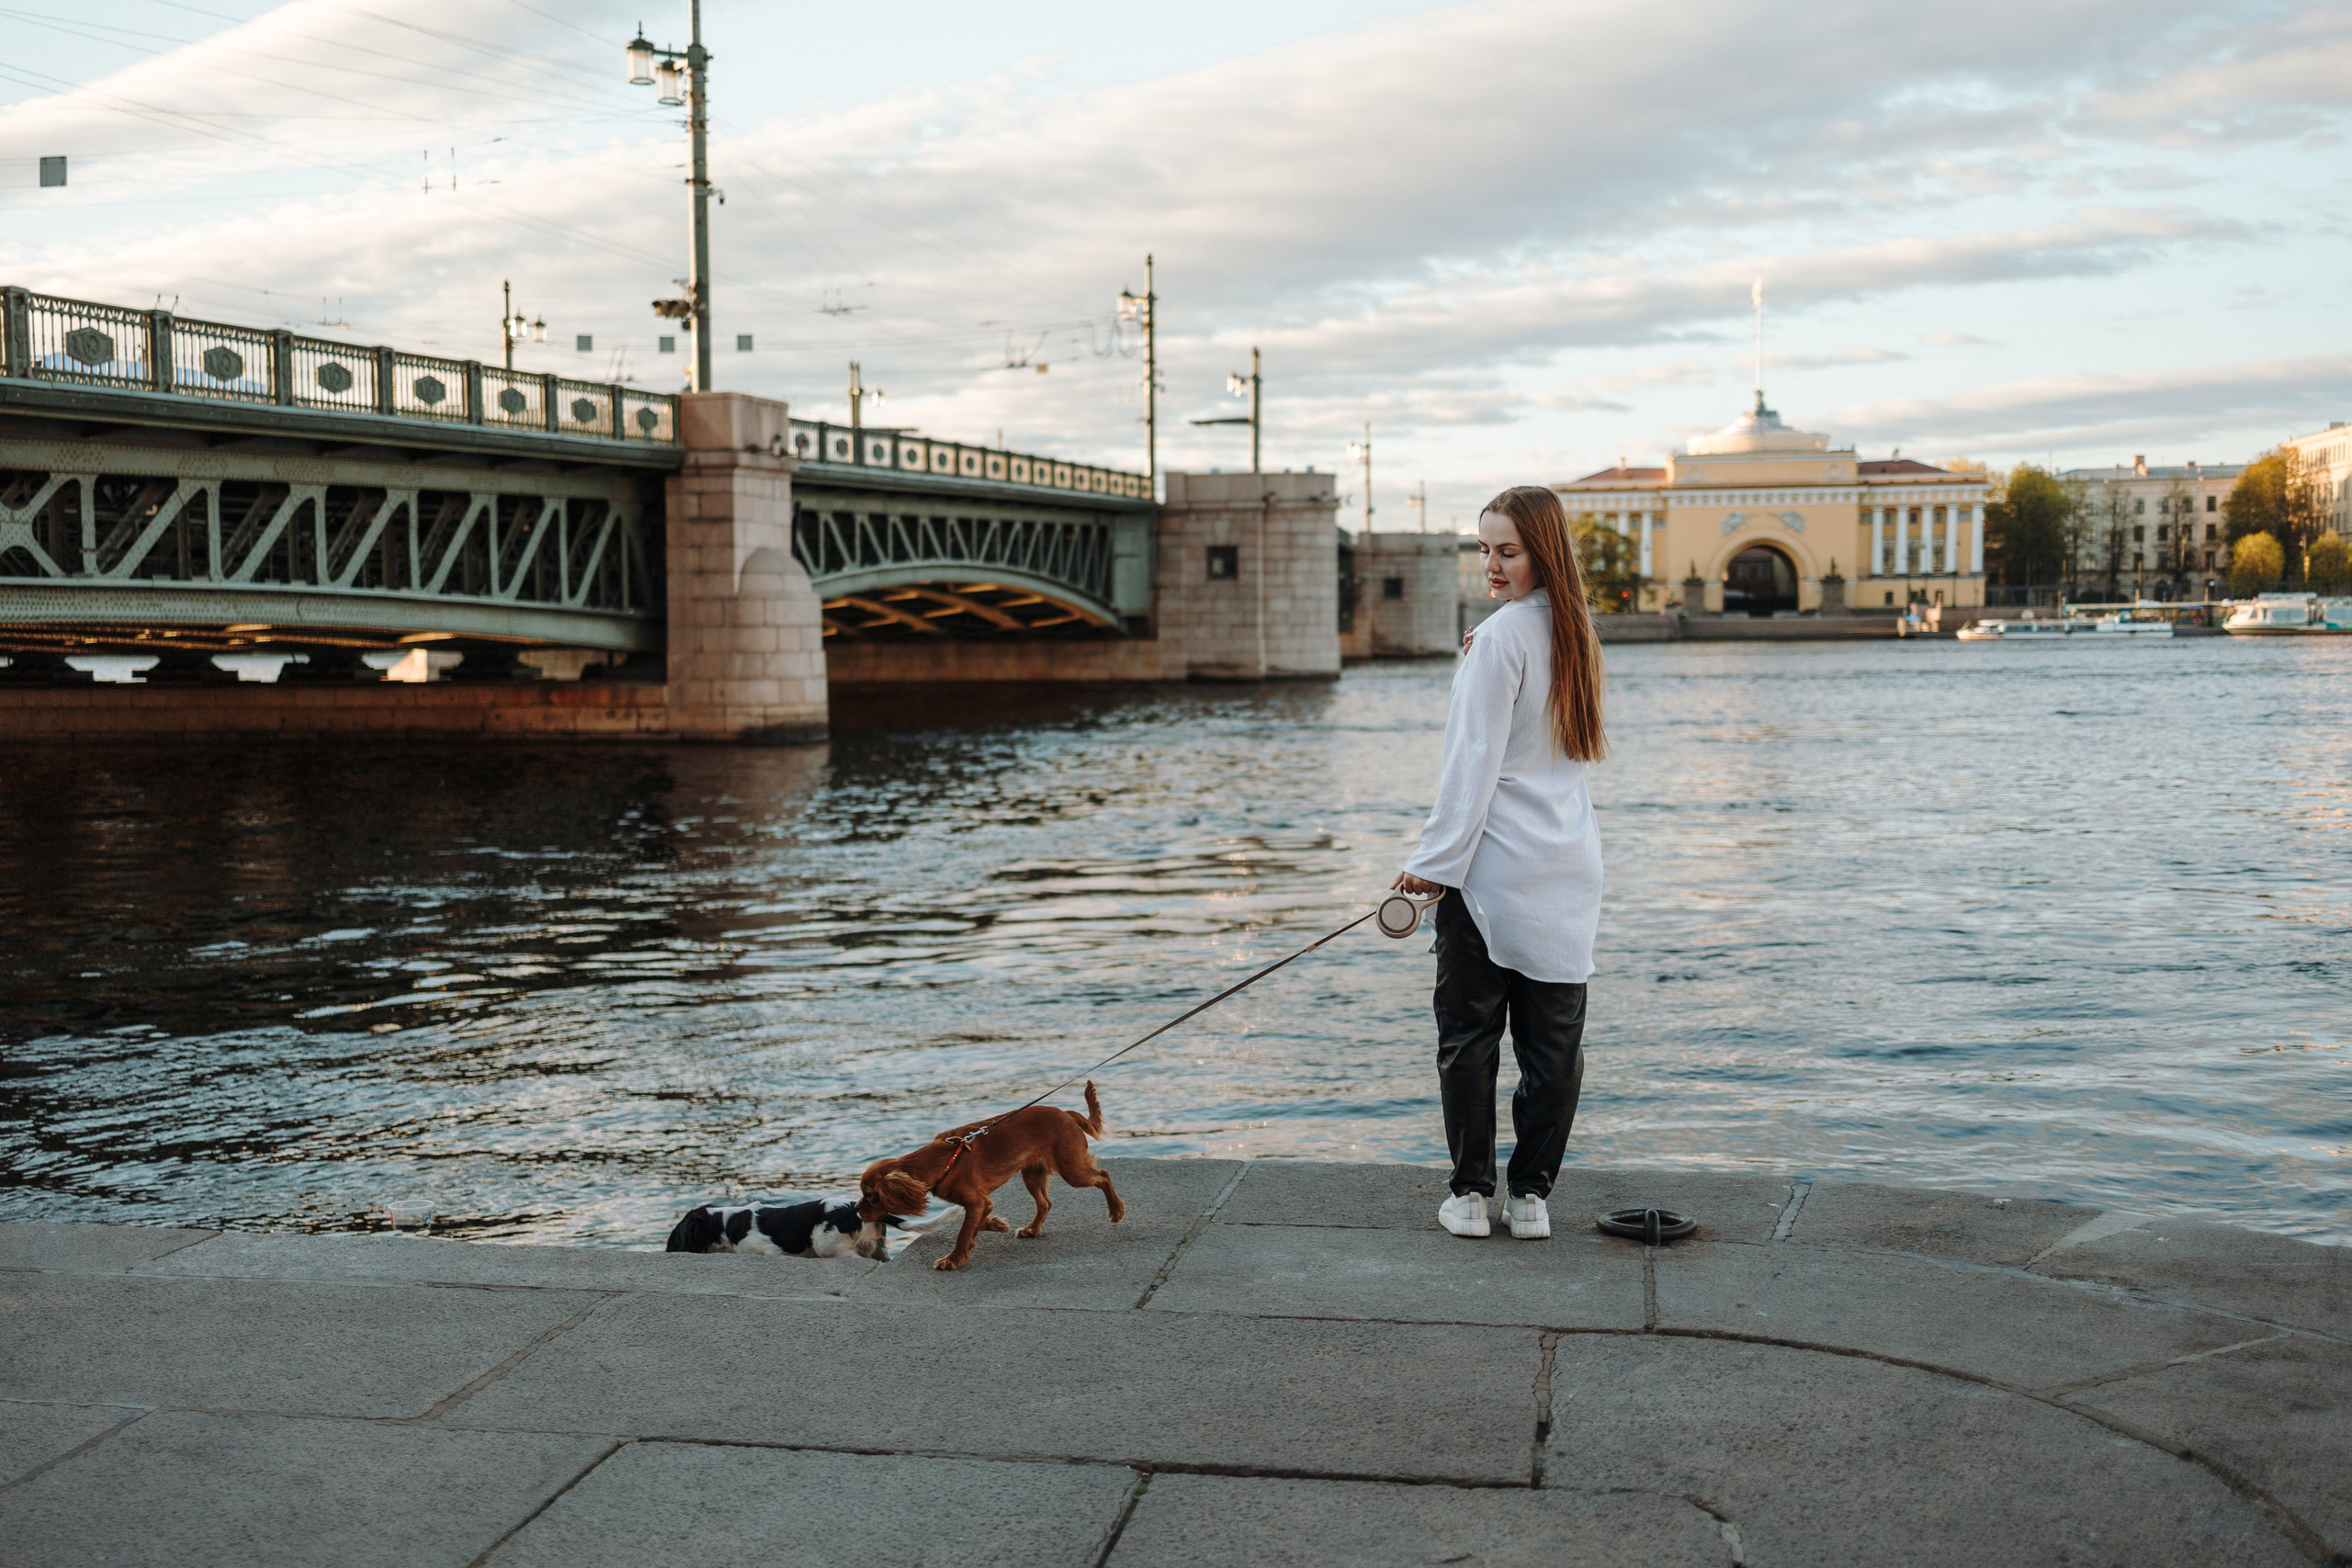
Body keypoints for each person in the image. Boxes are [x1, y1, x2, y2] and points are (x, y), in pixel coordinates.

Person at [1393, 485, 1605, 1240]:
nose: (1490, 564)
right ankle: (1533, 1198)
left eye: (1506, 550)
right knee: (1553, 1048)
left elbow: (1473, 767)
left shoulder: (1499, 638)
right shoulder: (1576, 631)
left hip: (1491, 876)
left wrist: (1432, 865)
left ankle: (1472, 1196)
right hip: (1568, 870)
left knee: (1470, 1039)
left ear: (1540, 551)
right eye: (1483, 548)